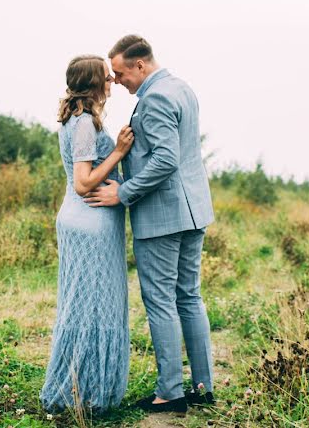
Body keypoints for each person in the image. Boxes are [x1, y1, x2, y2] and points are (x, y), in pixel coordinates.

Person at [85, 35, 216, 414]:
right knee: (189, 296)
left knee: (161, 302)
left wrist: (122, 193)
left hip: (162, 217)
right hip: (193, 211)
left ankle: (170, 392)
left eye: (121, 73)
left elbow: (165, 160)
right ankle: (203, 386)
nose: (118, 81)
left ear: (140, 65)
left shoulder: (155, 98)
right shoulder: (182, 88)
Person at [40, 54, 135, 413]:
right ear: (94, 83)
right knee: (91, 306)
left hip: (86, 220)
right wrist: (120, 152)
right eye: (107, 79)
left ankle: (87, 388)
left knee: (86, 304)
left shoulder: (77, 119)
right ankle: (85, 394)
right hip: (90, 220)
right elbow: (82, 183)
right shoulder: (82, 123)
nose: (112, 83)